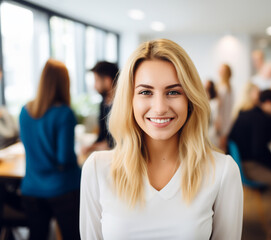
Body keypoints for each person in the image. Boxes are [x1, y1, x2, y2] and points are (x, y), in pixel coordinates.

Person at [80, 39, 243, 239]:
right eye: (145, 92)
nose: (159, 107)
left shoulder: (222, 171)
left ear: (190, 99)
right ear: (129, 100)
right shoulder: (97, 170)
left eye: (173, 92)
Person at [19, 59, 81, 240]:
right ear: (64, 83)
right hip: (62, 189)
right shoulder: (64, 113)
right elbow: (64, 158)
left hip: (31, 188)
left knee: (37, 236)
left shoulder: (25, 110)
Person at [228, 89, 271, 240]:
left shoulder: (249, 114)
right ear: (268, 103)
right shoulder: (259, 119)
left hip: (243, 163)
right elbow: (259, 150)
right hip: (250, 166)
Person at [83, 61, 119, 155]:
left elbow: (117, 142)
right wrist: (92, 146)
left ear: (107, 80)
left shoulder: (122, 104)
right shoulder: (103, 103)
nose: (95, 86)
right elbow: (102, 136)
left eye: (96, 80)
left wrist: (97, 146)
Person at [215, 63, 234, 151]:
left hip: (222, 123)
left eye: (222, 70)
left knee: (221, 148)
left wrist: (224, 131)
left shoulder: (226, 88)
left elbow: (225, 110)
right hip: (219, 122)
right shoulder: (220, 86)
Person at [204, 79, 219, 147]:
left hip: (212, 134)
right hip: (207, 133)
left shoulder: (214, 103)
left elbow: (217, 121)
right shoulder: (205, 103)